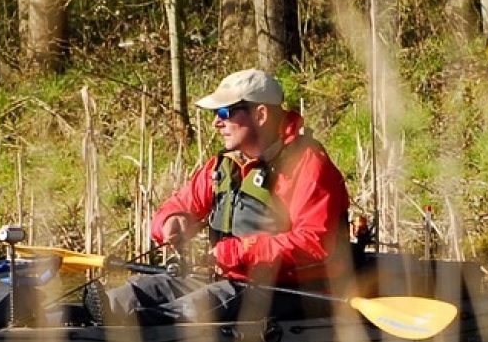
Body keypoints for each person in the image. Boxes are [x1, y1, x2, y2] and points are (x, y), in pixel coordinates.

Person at [107, 67, 351, 326]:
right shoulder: (223, 165)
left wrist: (236, 252)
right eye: (215, 114)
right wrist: (171, 220)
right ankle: (89, 318)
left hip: (291, 290)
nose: (216, 122)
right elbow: (182, 203)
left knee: (193, 308)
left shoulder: (309, 166)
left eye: (224, 112)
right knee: (130, 294)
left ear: (260, 114)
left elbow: (313, 243)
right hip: (227, 280)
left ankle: (127, 331)